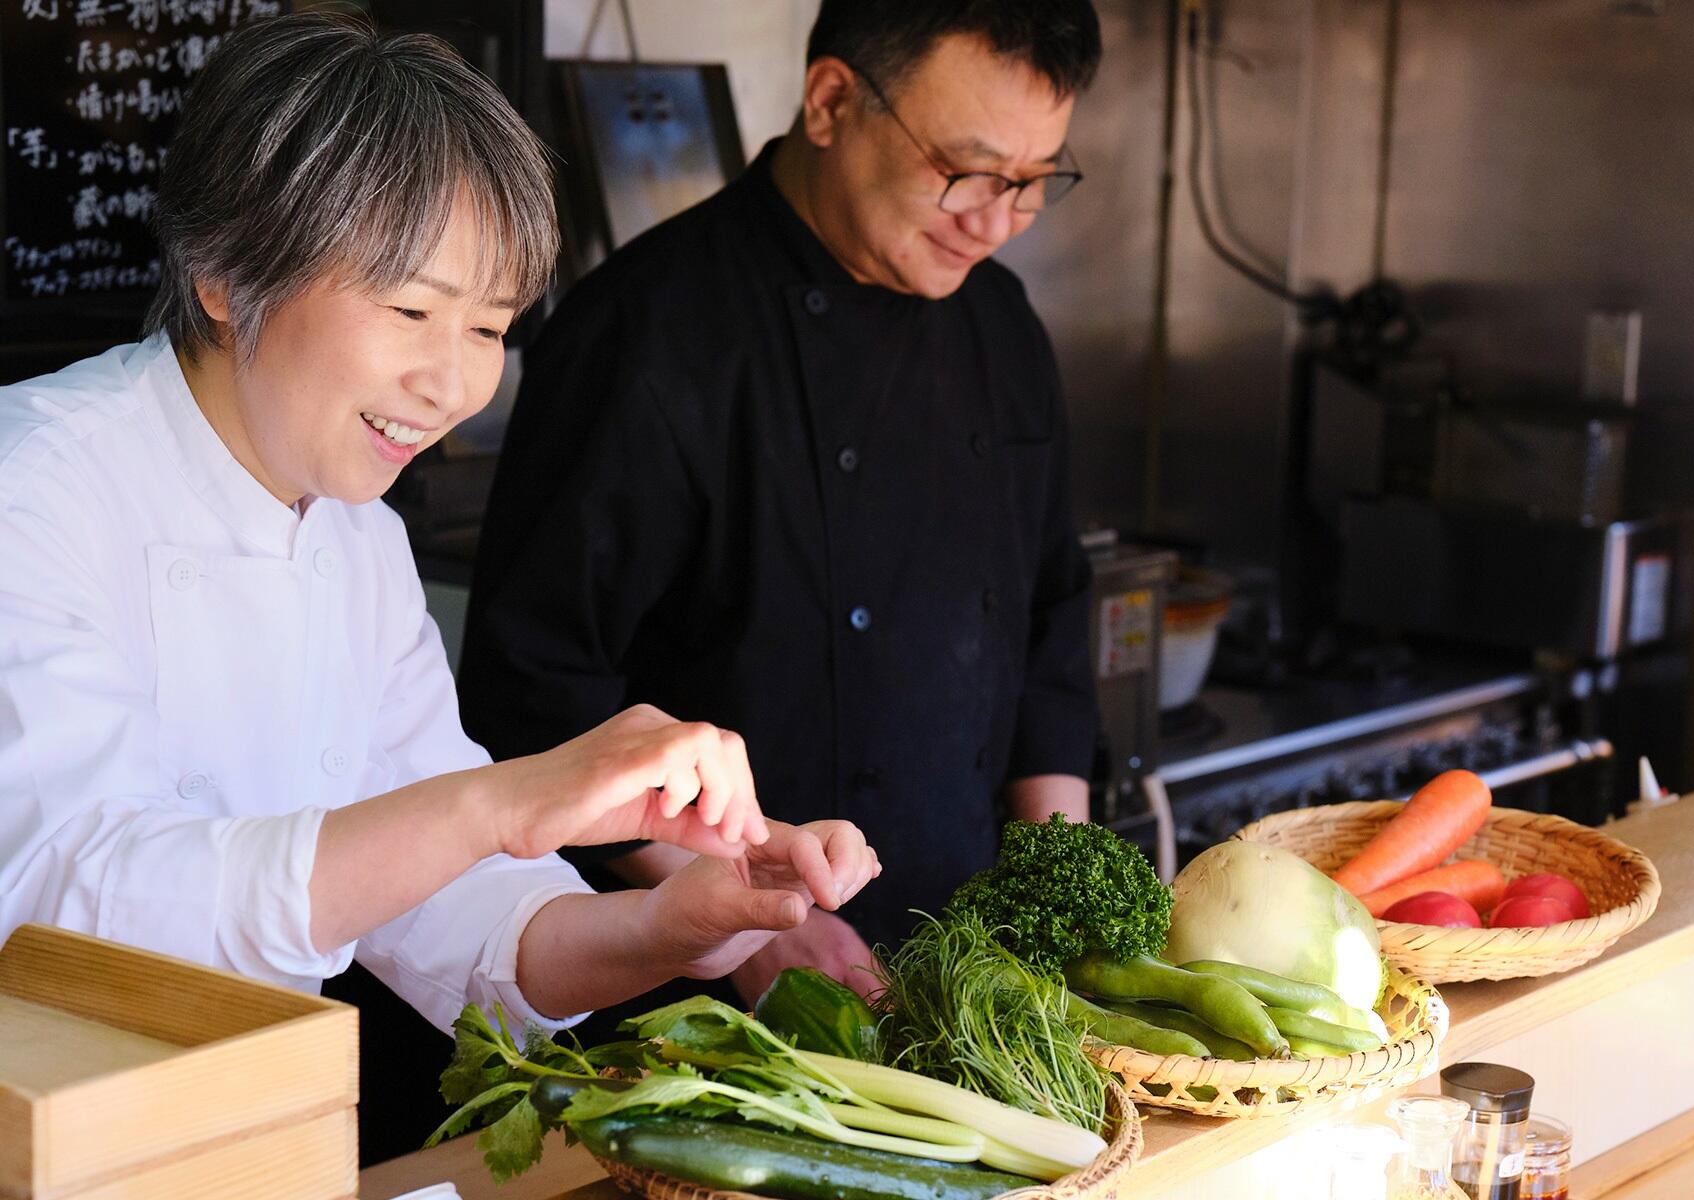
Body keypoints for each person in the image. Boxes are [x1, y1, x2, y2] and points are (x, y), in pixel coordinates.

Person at [0, 11, 878, 1155]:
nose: (453, 380)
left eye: (489, 326)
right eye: (411, 310)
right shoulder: (36, 487)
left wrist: (673, 925)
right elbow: (63, 920)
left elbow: (457, 924)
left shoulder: (351, 526)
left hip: (252, 1140)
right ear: (223, 271)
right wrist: (505, 802)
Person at [458, 0, 1102, 1005]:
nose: (997, 220)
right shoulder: (644, 335)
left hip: (970, 964)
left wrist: (1059, 899)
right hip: (699, 986)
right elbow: (532, 694)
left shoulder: (1002, 327)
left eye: (1031, 183)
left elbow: (1053, 613)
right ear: (832, 101)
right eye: (968, 171)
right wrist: (732, 925)